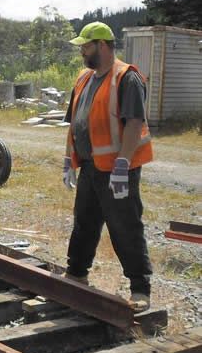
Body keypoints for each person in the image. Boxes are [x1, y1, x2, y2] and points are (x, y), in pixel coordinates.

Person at [62, 22, 154, 312]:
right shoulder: (83, 79)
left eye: (85, 46)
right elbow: (75, 123)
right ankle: (76, 274)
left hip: (117, 169)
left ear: (102, 45)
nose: (81, 52)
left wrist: (123, 165)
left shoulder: (127, 78)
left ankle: (140, 288)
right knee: (84, 222)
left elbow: (134, 123)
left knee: (124, 225)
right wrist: (69, 160)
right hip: (90, 166)